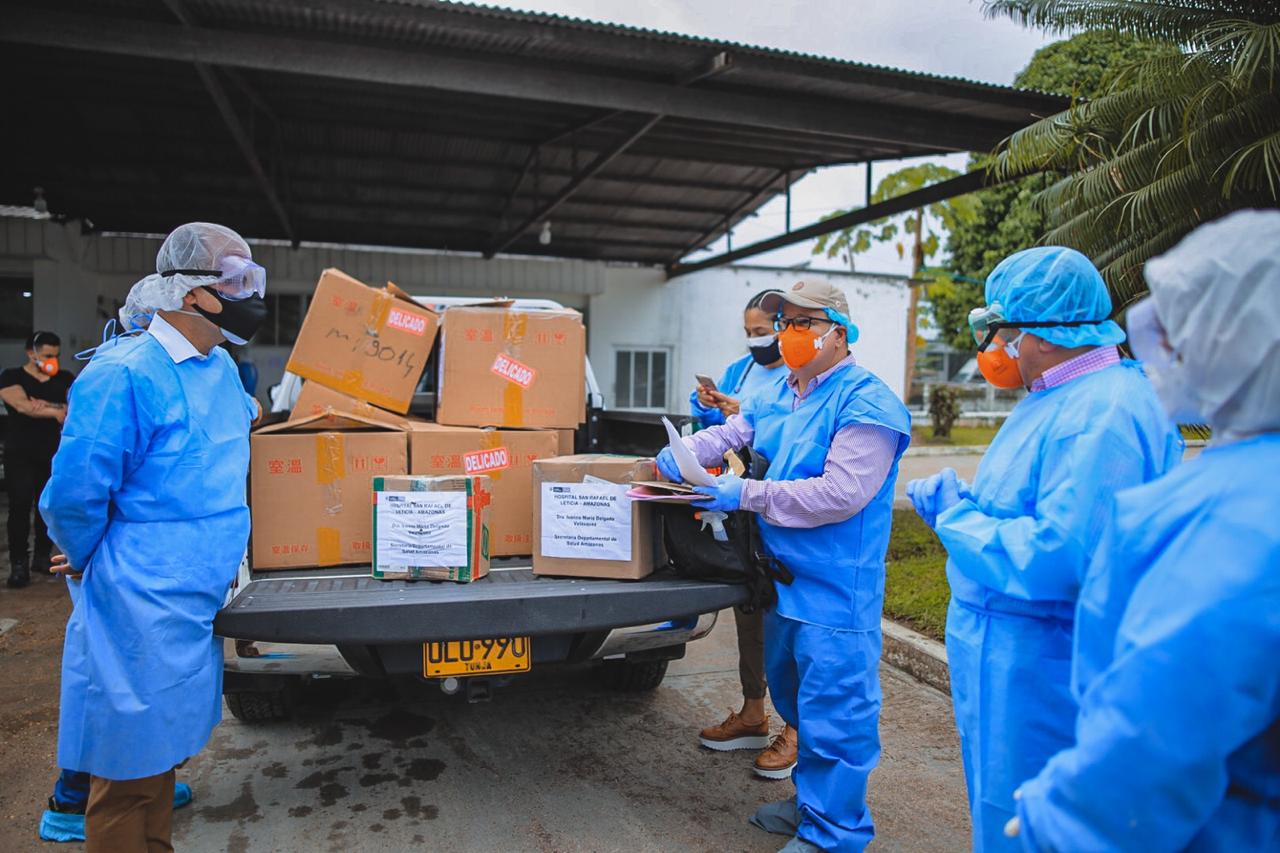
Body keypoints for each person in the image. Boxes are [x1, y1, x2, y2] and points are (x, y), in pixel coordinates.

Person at [1007, 210, 1280, 851]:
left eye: (1183, 334)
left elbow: (1154, 736)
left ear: (1232, 347)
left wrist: (1054, 822)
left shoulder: (1222, 519)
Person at [905, 246, 1182, 851]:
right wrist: (974, 505)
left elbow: (1060, 555)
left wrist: (957, 517)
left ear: (1048, 335)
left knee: (1034, 823)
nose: (998, 352)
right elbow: (1036, 505)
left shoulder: (1101, 412)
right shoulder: (1060, 396)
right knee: (1005, 812)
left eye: (1005, 334)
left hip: (1041, 661)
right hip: (1010, 653)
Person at [660, 278, 911, 853]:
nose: (788, 334)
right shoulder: (783, 393)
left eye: (804, 323)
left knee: (834, 715)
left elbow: (840, 494)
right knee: (796, 699)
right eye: (784, 323)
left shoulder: (866, 402)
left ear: (838, 333)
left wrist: (744, 494)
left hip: (834, 590)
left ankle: (835, 832)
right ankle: (808, 804)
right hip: (781, 582)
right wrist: (675, 458)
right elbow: (730, 432)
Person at [41, 222, 266, 853]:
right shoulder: (125, 372)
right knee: (125, 766)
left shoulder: (218, 369)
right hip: (137, 594)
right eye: (236, 279)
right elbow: (74, 492)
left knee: (163, 753)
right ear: (191, 294)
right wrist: (88, 559)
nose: (251, 292)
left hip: (198, 588)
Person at [693, 288, 798, 780]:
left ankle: (797, 728)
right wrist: (709, 408)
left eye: (764, 331)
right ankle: (754, 712)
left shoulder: (804, 377)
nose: (757, 341)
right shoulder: (744, 371)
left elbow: (787, 434)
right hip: (743, 506)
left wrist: (745, 416)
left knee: (791, 619)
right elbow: (722, 432)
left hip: (786, 506)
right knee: (750, 606)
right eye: (749, 333)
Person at [1, 331, 73, 588]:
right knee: (20, 507)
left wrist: (43, 406)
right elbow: (22, 406)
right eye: (47, 356)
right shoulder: (12, 376)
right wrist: (54, 409)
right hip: (20, 454)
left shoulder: (65, 378)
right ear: (31, 354)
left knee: (47, 508)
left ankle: (42, 557)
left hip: (52, 454)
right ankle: (19, 564)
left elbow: (72, 410)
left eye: (56, 355)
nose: (53, 360)